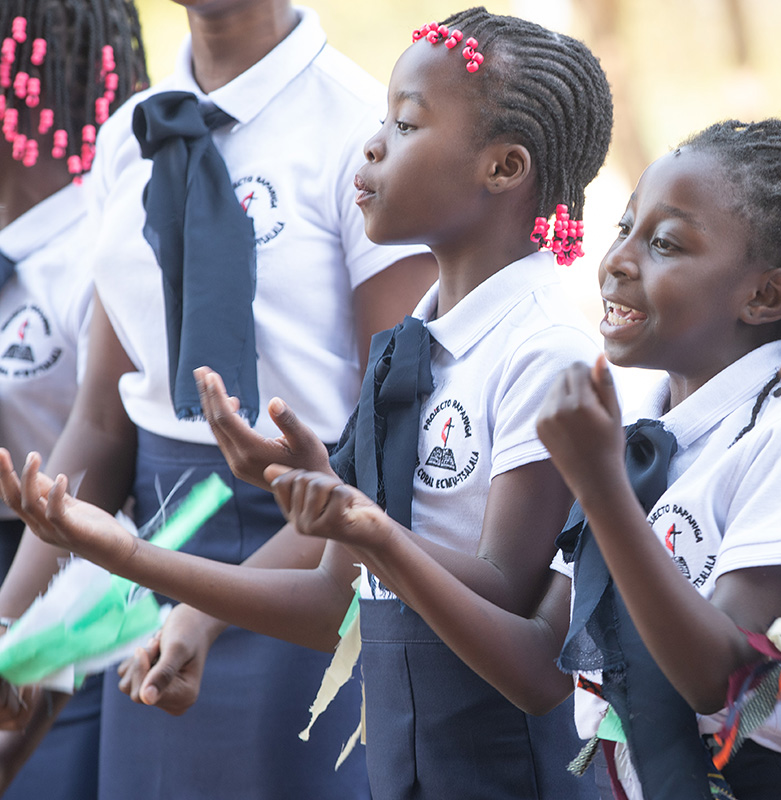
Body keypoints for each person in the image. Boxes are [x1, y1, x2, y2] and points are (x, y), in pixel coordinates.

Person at [2, 8, 614, 799]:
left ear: (502, 167)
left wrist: (349, 518)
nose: (374, 141)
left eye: (404, 125)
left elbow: (508, 613)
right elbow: (337, 578)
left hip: (482, 748)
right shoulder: (415, 341)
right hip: (367, 685)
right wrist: (156, 585)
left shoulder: (542, 344)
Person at [255, 118, 781, 800]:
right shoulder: (632, 420)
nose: (618, 260)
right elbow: (540, 666)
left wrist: (602, 489)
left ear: (765, 295)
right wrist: (375, 534)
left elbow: (724, 678)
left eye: (665, 244)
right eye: (624, 228)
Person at [0, 2, 148, 797]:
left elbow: (106, 446)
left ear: (17, 85)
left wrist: (19, 639)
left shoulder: (95, 252)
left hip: (65, 606)